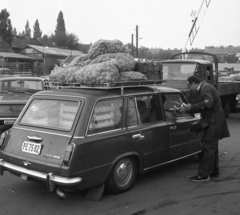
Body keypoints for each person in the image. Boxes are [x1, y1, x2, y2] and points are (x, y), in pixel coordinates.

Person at [179, 75, 230, 182]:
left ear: (193, 83)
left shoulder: (205, 88)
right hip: (215, 120)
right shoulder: (206, 87)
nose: (189, 89)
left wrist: (191, 107)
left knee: (209, 147)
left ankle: (203, 174)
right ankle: (214, 171)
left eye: (189, 87)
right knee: (213, 148)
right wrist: (188, 109)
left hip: (214, 122)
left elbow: (208, 103)